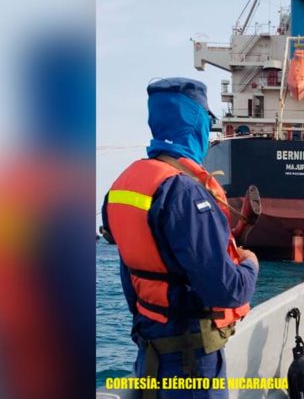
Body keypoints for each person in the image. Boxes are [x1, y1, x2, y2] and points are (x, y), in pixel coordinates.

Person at [102, 78, 259, 399]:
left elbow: (133, 263)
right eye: (207, 122)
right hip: (192, 361)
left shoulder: (122, 186)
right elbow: (225, 289)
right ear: (198, 124)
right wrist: (250, 267)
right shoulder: (186, 192)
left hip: (149, 349)